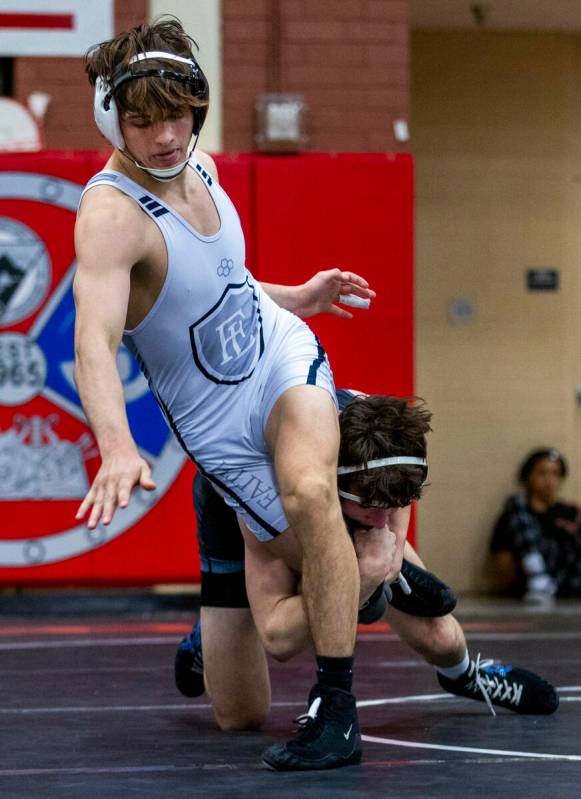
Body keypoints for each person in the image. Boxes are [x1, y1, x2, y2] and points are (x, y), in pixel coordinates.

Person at [73, 17, 376, 771]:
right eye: (141, 123)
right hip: (221, 427)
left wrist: (296, 298)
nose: (165, 137)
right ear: (113, 119)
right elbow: (91, 342)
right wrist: (115, 445)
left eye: (177, 117)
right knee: (240, 713)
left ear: (197, 107)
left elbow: (221, 284)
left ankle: (335, 709)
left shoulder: (196, 162)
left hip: (281, 358)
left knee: (312, 497)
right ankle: (357, 579)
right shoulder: (111, 216)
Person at [176, 391, 559, 744]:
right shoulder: (258, 480)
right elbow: (279, 638)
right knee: (242, 717)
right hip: (242, 509)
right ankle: (211, 635)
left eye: (393, 505)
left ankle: (466, 676)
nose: (382, 520)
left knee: (439, 636)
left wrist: (390, 556)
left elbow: (393, 488)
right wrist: (362, 580)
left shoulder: (375, 428)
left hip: (340, 490)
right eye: (373, 508)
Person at [491, 448, 581, 603]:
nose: (549, 480)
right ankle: (537, 575)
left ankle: (544, 582)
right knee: (516, 503)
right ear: (529, 476)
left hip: (566, 578)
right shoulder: (517, 511)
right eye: (542, 473)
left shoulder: (569, 512)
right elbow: (501, 563)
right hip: (530, 581)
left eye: (555, 473)